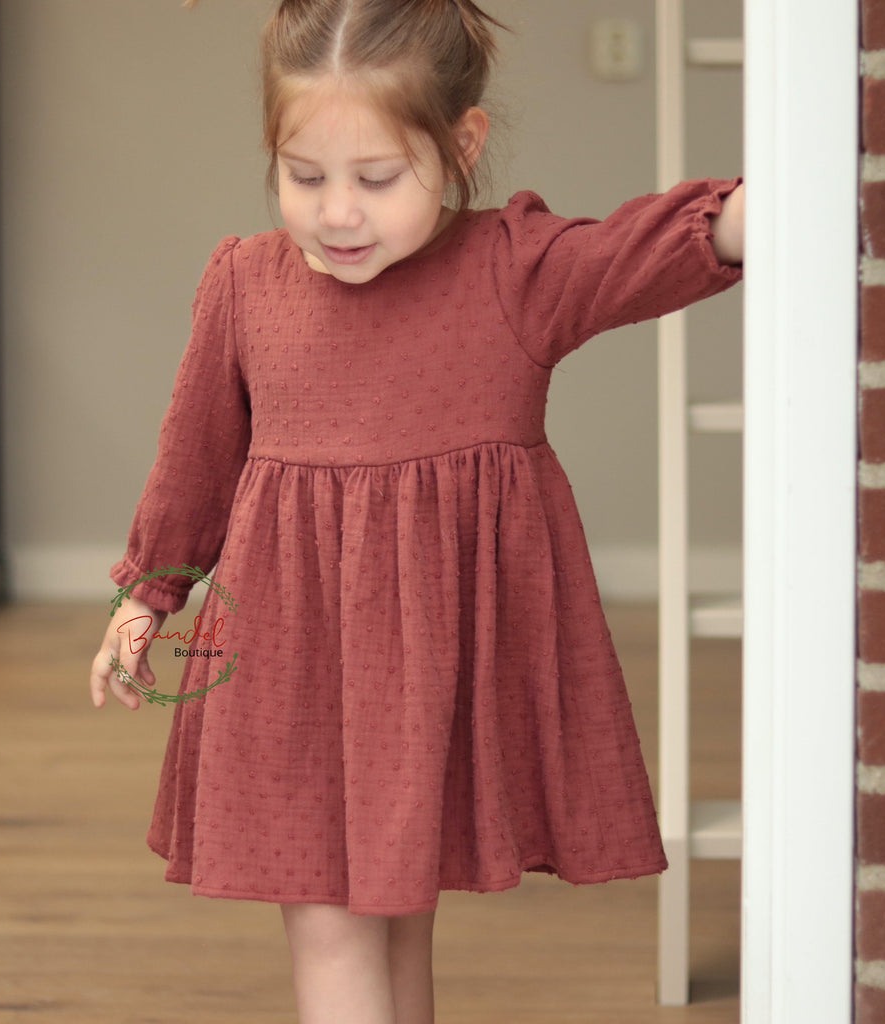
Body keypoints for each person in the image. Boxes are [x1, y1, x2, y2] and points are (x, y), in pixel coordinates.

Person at [89, 1, 744, 1021]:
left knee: (392, 924)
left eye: (376, 178)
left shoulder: (510, 270)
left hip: (430, 673)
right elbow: (196, 457)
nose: (335, 212)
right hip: (286, 662)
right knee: (331, 926)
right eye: (303, 176)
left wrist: (768, 206)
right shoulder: (245, 283)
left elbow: (637, 250)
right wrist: (148, 594)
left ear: (461, 144)